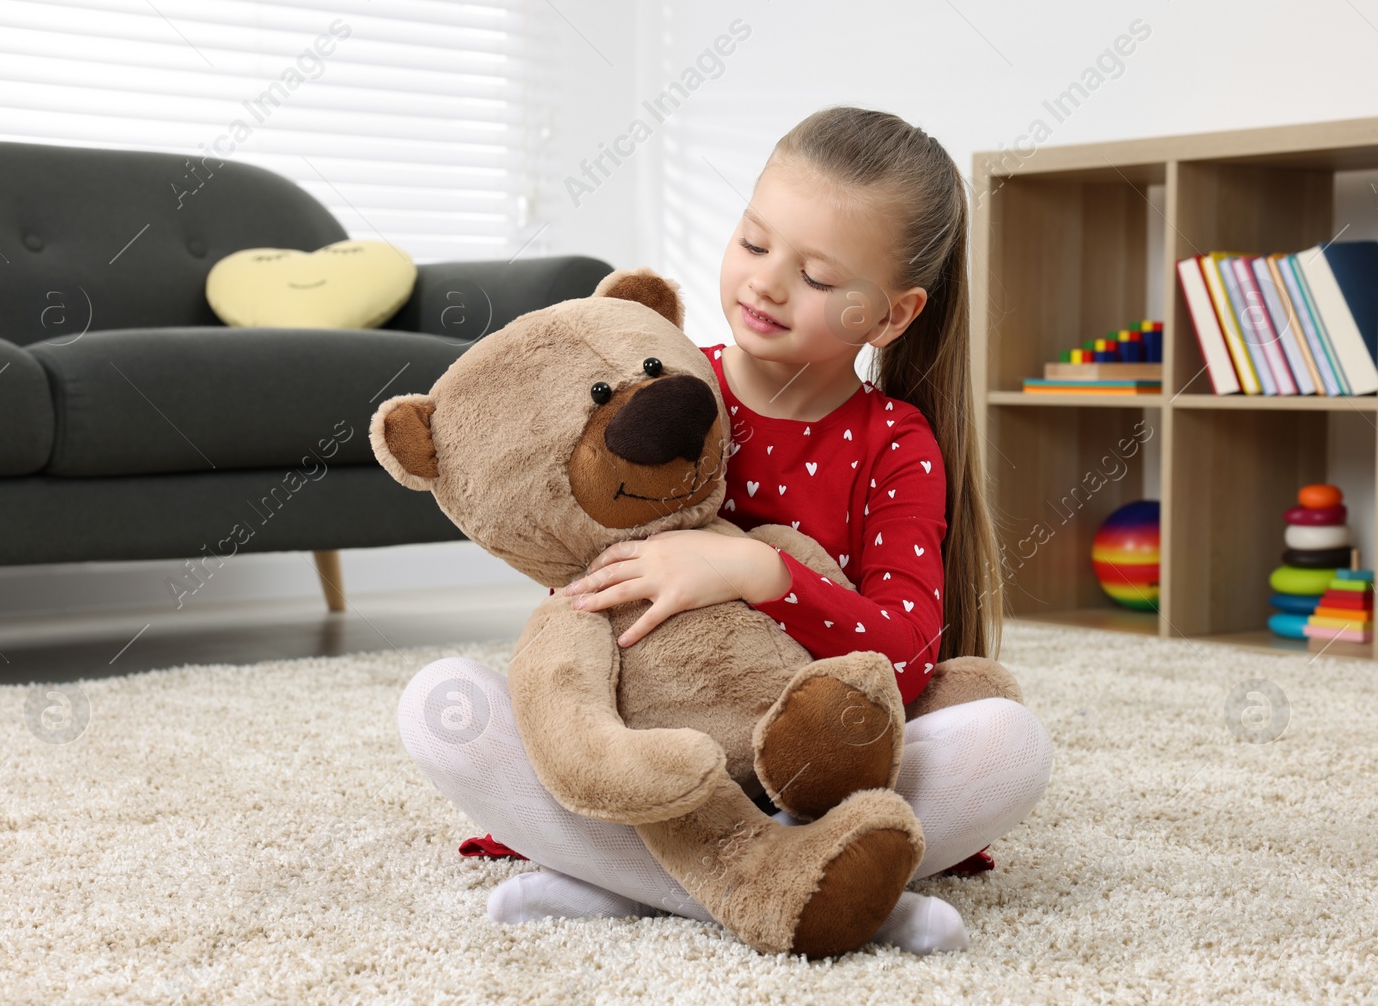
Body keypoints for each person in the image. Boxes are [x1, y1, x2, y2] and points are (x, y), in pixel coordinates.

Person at [397, 106, 1053, 955]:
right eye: (752, 241)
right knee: (442, 707)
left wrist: (755, 571)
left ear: (891, 316)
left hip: (815, 767)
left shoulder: (895, 441)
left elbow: (908, 649)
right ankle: (815, 893)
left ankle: (636, 881)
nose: (767, 284)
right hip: (653, 752)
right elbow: (570, 539)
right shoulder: (665, 378)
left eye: (817, 276)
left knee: (1008, 744)